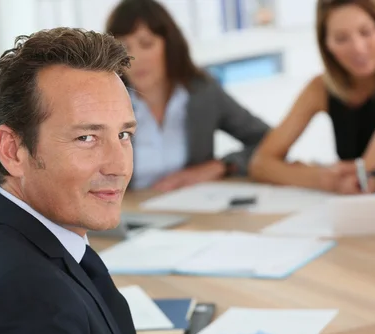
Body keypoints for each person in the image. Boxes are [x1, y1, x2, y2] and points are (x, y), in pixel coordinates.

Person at [0, 27, 247, 334]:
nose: (117, 165)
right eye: (86, 138)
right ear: (12, 150)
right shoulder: (28, 295)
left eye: (123, 135)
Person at [250, 0, 375, 194]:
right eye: (341, 39)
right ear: (326, 45)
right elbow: (261, 164)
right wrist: (321, 177)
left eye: (365, 32)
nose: (358, 48)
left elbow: (365, 173)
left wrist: (302, 173)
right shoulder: (320, 88)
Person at [106, 0, 270, 192]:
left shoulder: (202, 92)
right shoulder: (106, 102)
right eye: (124, 48)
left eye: (146, 44)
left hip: (193, 212)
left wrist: (221, 166)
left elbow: (268, 140)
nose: (135, 59)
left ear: (170, 45)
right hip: (124, 216)